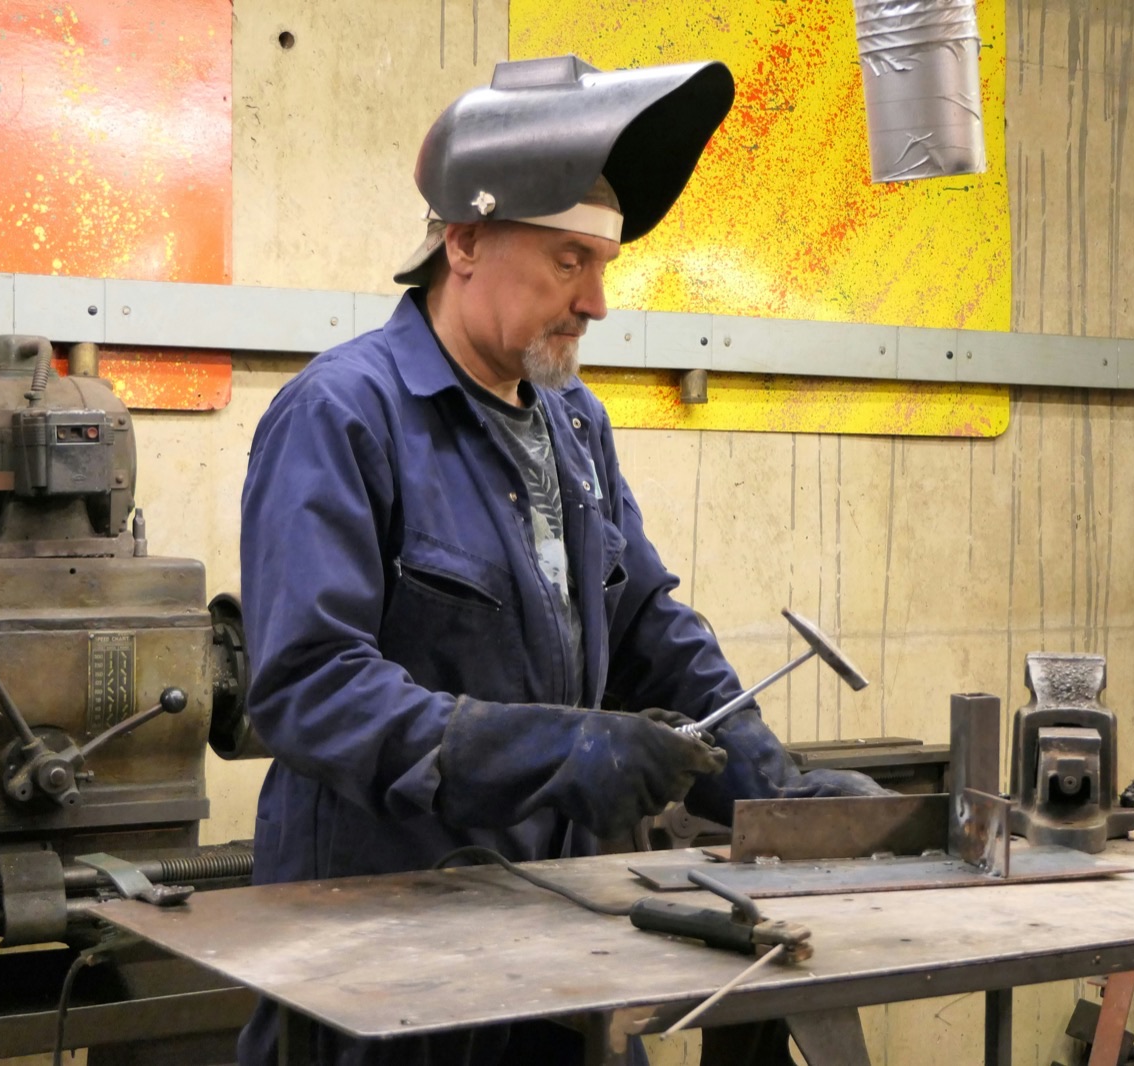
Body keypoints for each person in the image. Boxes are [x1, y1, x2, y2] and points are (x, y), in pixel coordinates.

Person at [236, 54, 889, 1066]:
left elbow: (646, 625)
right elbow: (306, 687)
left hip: (556, 934)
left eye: (602, 265)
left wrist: (773, 793)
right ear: (464, 240)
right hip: (380, 948)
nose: (594, 303)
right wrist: (557, 750)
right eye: (565, 262)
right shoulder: (341, 415)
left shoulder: (571, 424)